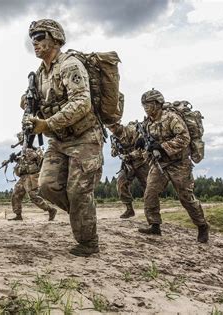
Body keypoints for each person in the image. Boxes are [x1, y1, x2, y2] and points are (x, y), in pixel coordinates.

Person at [24, 19, 104, 257]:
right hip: (58, 141)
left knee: (78, 191)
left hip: (84, 137)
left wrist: (47, 123)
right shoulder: (40, 74)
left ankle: (89, 242)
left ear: (55, 38)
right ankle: (82, 214)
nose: (35, 43)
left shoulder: (70, 65)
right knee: (46, 186)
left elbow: (82, 102)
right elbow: (36, 100)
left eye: (40, 37)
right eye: (33, 39)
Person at [136, 89, 209, 242]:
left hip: (179, 163)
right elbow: (150, 140)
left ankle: (202, 226)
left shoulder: (171, 118)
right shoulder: (148, 122)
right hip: (160, 163)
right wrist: (142, 142)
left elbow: (184, 138)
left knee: (186, 197)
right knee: (150, 193)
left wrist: (162, 147)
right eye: (144, 105)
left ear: (157, 104)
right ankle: (154, 225)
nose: (146, 108)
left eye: (148, 104)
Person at [8, 134, 58, 221]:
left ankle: (51, 210)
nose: (20, 142)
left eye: (21, 140)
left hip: (31, 177)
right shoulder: (23, 152)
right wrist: (14, 158)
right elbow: (23, 162)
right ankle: (18, 215)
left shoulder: (34, 150)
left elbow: (40, 159)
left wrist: (32, 153)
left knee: (33, 196)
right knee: (16, 194)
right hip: (23, 177)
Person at [108, 121, 149, 218]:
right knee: (121, 184)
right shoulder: (113, 138)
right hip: (127, 165)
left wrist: (129, 155)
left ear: (118, 124)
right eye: (109, 128)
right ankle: (129, 209)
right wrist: (115, 151)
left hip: (141, 163)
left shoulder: (131, 130)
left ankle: (150, 211)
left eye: (112, 126)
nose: (111, 129)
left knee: (148, 187)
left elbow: (142, 147)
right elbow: (113, 152)